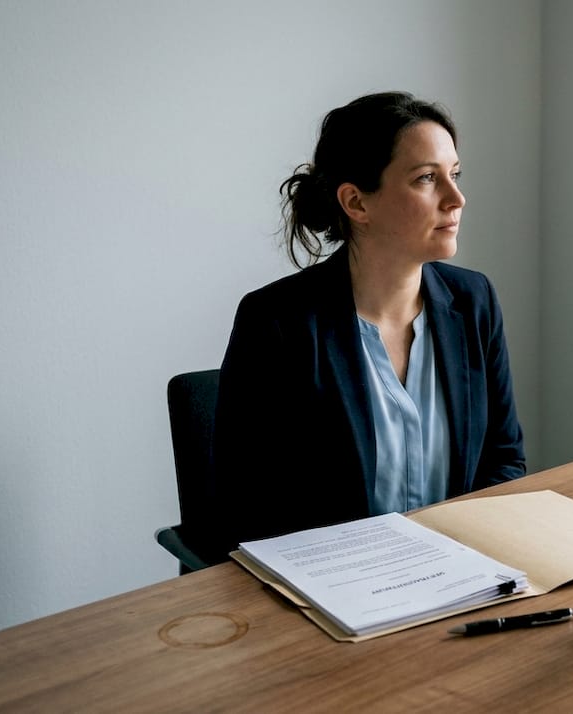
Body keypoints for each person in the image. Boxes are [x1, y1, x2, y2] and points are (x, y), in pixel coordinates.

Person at [209, 91, 526, 556]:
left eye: (454, 175)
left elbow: (503, 458)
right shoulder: (277, 323)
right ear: (357, 203)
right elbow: (245, 508)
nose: (456, 198)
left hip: (460, 574)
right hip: (330, 598)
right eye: (426, 179)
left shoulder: (474, 301)